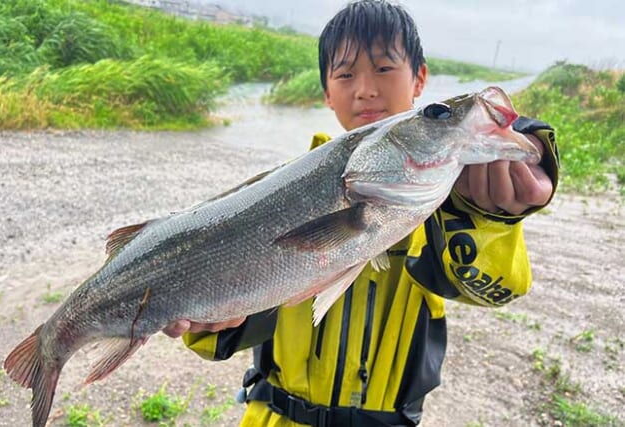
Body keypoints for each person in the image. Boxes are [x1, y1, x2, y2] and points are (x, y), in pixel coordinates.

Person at [164, 1, 560, 425]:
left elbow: (497, 288)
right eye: (346, 74)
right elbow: (215, 338)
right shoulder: (276, 194)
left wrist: (488, 216)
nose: (366, 89)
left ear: (420, 78)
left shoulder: (443, 204)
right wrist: (207, 321)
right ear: (326, 93)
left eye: (385, 69)